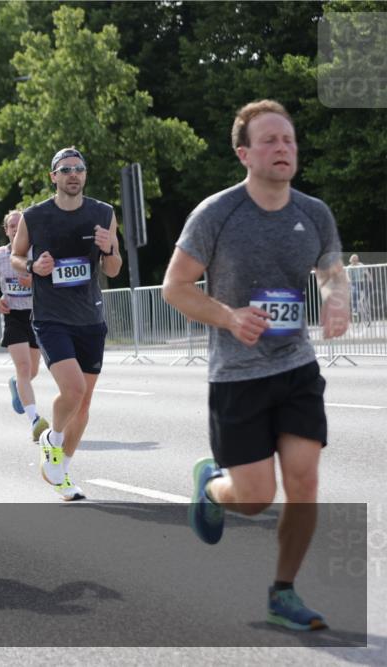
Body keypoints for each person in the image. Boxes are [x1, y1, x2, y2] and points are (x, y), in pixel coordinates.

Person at [163, 100, 349, 631]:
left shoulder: (313, 213)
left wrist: (337, 296)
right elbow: (176, 288)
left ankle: (283, 591)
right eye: (269, 141)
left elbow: (332, 270)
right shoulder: (217, 213)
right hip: (237, 376)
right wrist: (228, 316)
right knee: (253, 498)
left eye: (288, 140)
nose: (282, 148)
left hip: (296, 368)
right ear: (244, 153)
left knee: (304, 480)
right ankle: (212, 488)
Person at [11, 147, 123, 501]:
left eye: (79, 169)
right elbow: (15, 256)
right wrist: (32, 267)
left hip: (90, 318)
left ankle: (60, 470)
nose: (73, 174)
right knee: (73, 390)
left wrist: (108, 249)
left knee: (84, 404)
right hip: (51, 318)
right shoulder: (35, 215)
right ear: (53, 176)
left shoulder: (103, 213)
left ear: (85, 175)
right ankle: (52, 440)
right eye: (65, 169)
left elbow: (114, 269)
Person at [0, 210, 49, 436]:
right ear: (7, 230)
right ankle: (35, 420)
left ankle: (15, 384)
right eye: (12, 226)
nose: (16, 229)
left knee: (33, 371)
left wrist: (34, 281)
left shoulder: (37, 254)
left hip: (36, 314)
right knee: (23, 368)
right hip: (12, 316)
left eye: (20, 225)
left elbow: (52, 280)